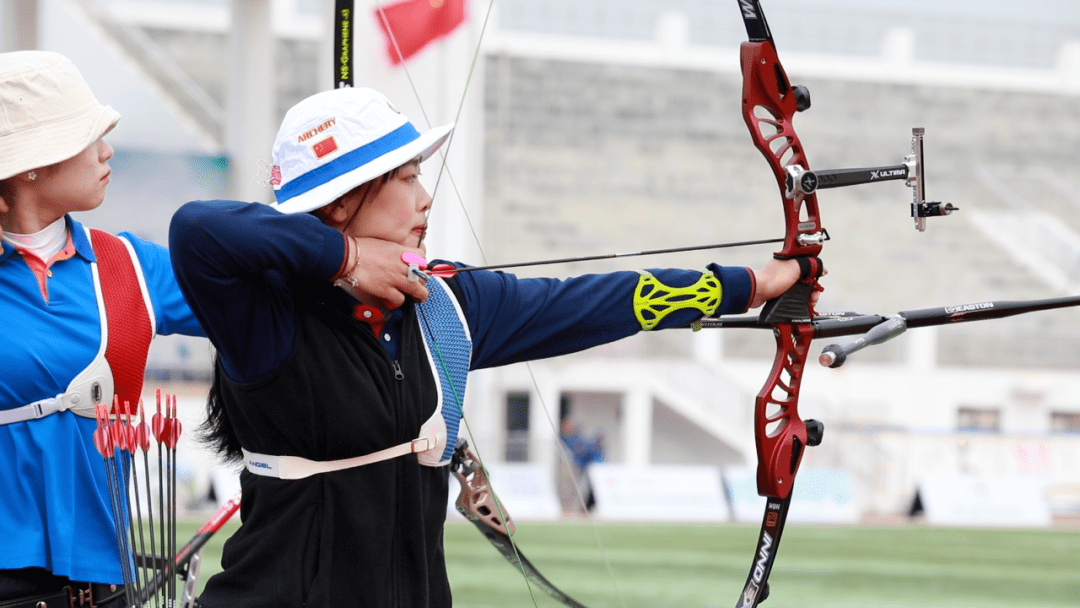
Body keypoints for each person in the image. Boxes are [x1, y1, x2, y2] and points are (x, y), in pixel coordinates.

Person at [169, 86, 821, 608]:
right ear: (342, 203)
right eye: (405, 178)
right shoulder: (267, 312)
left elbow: (591, 301)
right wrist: (343, 260)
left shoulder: (442, 304)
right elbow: (196, 230)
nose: (425, 199)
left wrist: (748, 286)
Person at [0, 51, 205, 607]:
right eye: (88, 137)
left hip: (103, 580)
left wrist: (346, 250)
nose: (107, 151)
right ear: (31, 164)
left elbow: (256, 298)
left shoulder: (132, 268)